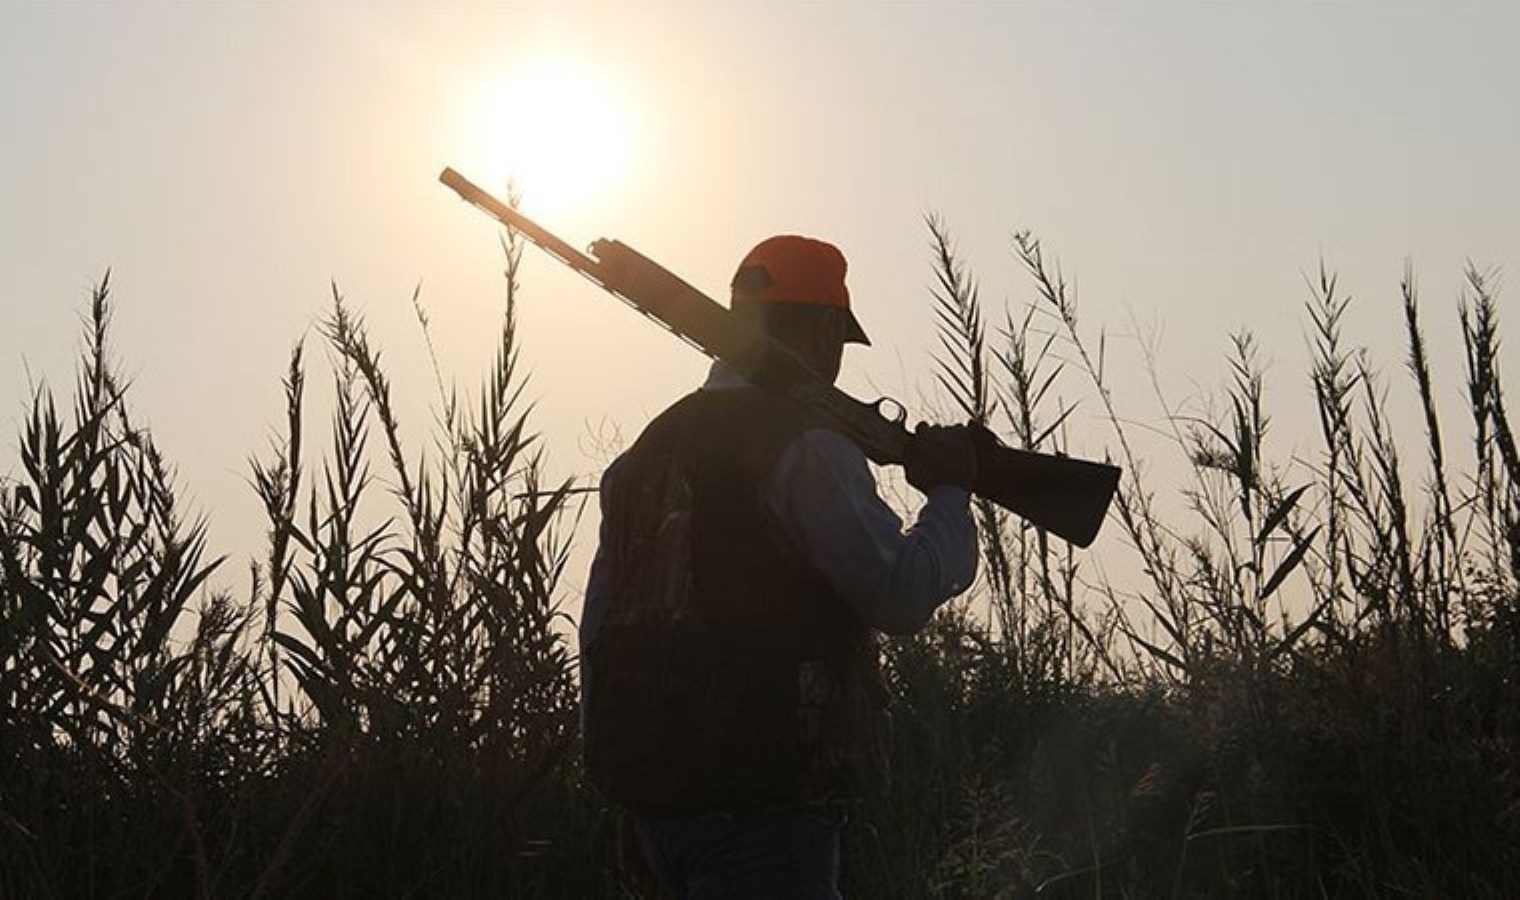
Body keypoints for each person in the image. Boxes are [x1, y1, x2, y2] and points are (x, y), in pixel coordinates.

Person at [580, 235, 980, 898]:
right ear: (825, 330)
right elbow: (900, 596)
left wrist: (630, 795)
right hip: (765, 809)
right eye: (837, 340)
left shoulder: (642, 457)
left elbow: (601, 636)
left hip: (661, 811)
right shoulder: (806, 445)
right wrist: (950, 493)